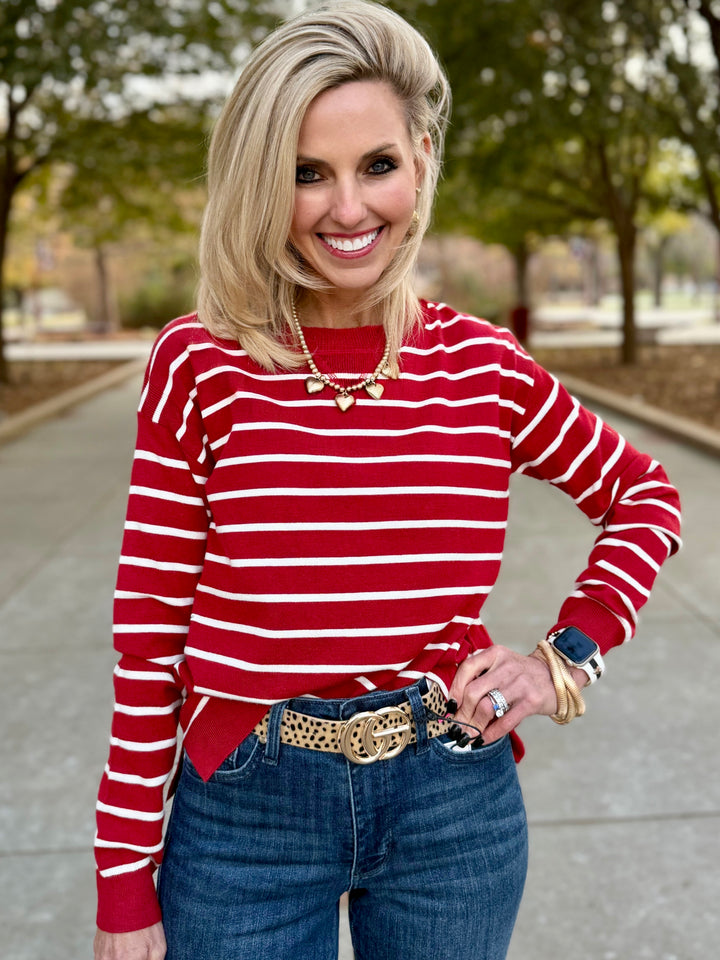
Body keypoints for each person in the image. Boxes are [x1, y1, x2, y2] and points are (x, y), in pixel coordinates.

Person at [93, 2, 682, 958]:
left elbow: (645, 496)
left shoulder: (482, 365)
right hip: (247, 813)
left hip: (452, 802)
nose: (349, 209)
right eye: (305, 175)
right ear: (261, 185)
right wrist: (122, 882)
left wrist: (562, 661)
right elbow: (149, 629)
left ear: (420, 159)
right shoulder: (200, 363)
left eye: (377, 166)